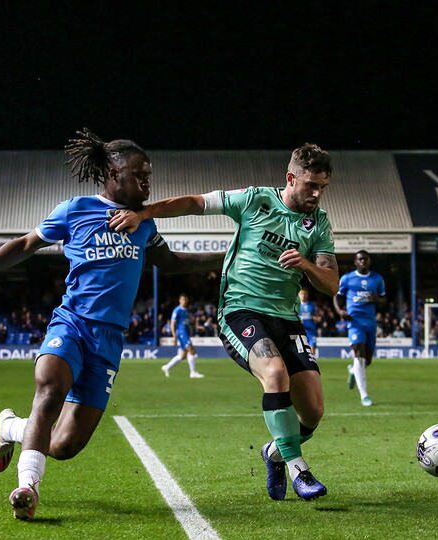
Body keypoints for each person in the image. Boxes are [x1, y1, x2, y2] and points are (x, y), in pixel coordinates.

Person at [0, 128, 222, 521]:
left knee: (64, 445)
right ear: (113, 173)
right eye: (139, 175)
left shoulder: (144, 224)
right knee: (49, 390)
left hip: (109, 339)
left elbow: (172, 263)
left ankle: (11, 429)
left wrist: (227, 256)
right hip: (71, 323)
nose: (147, 183)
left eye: (149, 176)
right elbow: (26, 244)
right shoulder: (75, 209)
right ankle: (28, 488)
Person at [110, 142, 338, 501]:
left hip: (287, 318)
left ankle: (275, 452)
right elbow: (194, 203)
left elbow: (331, 283)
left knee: (313, 412)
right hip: (241, 310)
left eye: (322, 187)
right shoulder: (254, 200)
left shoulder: (319, 223)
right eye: (311, 185)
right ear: (291, 178)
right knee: (275, 374)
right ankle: (299, 469)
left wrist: (306, 264)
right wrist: (143, 213)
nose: (316, 194)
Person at [333, 250, 385, 407]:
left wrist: (376, 299)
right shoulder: (347, 278)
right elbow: (337, 295)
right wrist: (340, 311)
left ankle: (352, 370)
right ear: (355, 262)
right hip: (354, 321)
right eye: (360, 259)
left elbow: (384, 299)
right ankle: (364, 396)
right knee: (359, 355)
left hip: (370, 321)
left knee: (367, 360)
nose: (363, 261)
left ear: (369, 261)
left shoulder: (377, 279)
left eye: (365, 259)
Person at [161, 294, 204, 378]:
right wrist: (174, 336)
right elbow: (172, 323)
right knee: (192, 350)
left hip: (185, 332)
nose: (184, 301)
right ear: (179, 300)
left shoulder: (186, 311)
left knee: (183, 355)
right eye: (183, 299)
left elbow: (188, 322)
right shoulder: (177, 310)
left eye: (186, 299)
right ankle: (193, 373)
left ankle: (167, 367)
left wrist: (195, 325)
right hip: (181, 333)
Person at [299, 288, 319, 357]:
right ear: (298, 295)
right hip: (301, 331)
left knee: (312, 349)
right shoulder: (296, 305)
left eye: (305, 294)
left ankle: (313, 361)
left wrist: (317, 318)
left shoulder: (312, 305)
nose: (303, 295)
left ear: (307, 295)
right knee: (302, 350)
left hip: (312, 331)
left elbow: (316, 315)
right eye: (302, 294)